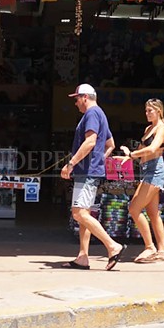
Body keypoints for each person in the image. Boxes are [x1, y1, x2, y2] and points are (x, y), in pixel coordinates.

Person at [60, 83, 126, 270]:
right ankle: (83, 256)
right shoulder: (100, 114)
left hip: (86, 172)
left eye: (76, 99)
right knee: (84, 214)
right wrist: (98, 160)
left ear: (85, 97)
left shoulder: (92, 114)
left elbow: (90, 142)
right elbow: (110, 143)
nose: (75, 103)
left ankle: (113, 246)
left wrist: (71, 164)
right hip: (90, 170)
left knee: (78, 213)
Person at [119, 98, 164, 263]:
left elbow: (153, 148)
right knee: (153, 213)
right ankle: (162, 251)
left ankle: (150, 247)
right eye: (146, 110)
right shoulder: (149, 128)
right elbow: (141, 150)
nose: (147, 113)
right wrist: (129, 155)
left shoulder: (161, 129)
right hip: (147, 170)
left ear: (159, 111)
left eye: (150, 110)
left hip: (155, 171)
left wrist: (132, 155)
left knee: (134, 208)